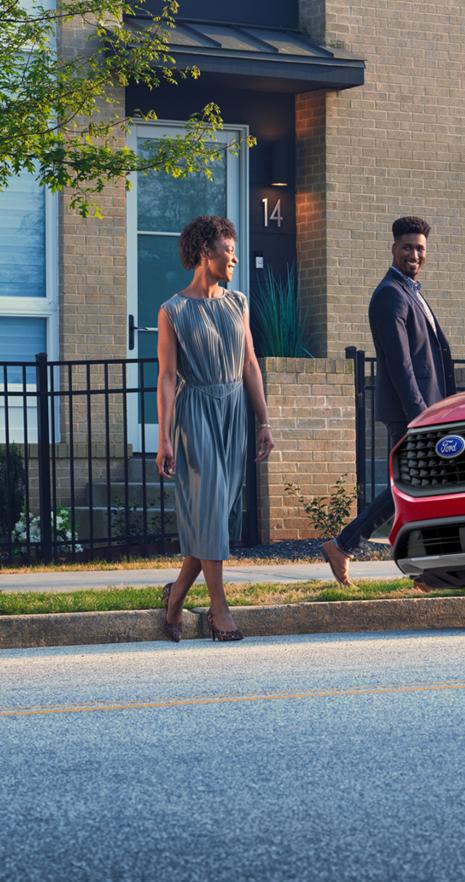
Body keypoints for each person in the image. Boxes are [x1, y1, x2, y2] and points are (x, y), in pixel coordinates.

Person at [156, 215, 275, 642]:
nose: (235, 258)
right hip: (196, 415)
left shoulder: (238, 302)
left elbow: (249, 365)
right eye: (228, 250)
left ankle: (174, 600)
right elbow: (168, 377)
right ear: (205, 253)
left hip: (234, 413)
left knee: (215, 517)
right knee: (209, 510)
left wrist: (263, 421)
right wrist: (164, 436)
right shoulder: (173, 310)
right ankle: (218, 609)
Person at [321, 216, 454, 586]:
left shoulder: (411, 291)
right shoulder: (389, 295)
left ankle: (353, 549)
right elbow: (400, 366)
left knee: (415, 489)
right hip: (410, 412)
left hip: (426, 408)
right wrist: (420, 416)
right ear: (394, 249)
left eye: (420, 248)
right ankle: (352, 548)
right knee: (411, 488)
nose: (415, 254)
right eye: (408, 247)